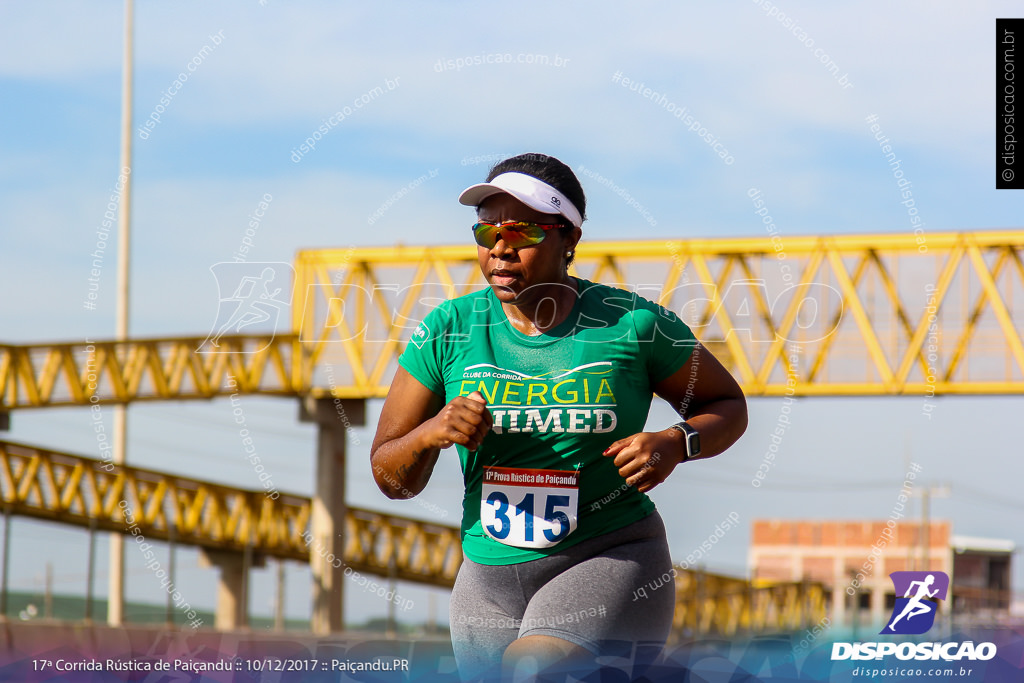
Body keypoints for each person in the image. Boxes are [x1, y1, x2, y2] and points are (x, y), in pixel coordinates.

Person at [370, 153, 747, 681]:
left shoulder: (633, 324)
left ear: (568, 238)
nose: (500, 248)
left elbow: (727, 405)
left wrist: (674, 441)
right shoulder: (448, 328)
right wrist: (431, 434)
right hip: (487, 574)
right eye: (485, 233)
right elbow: (389, 476)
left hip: (609, 555)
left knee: (533, 671)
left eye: (520, 231)